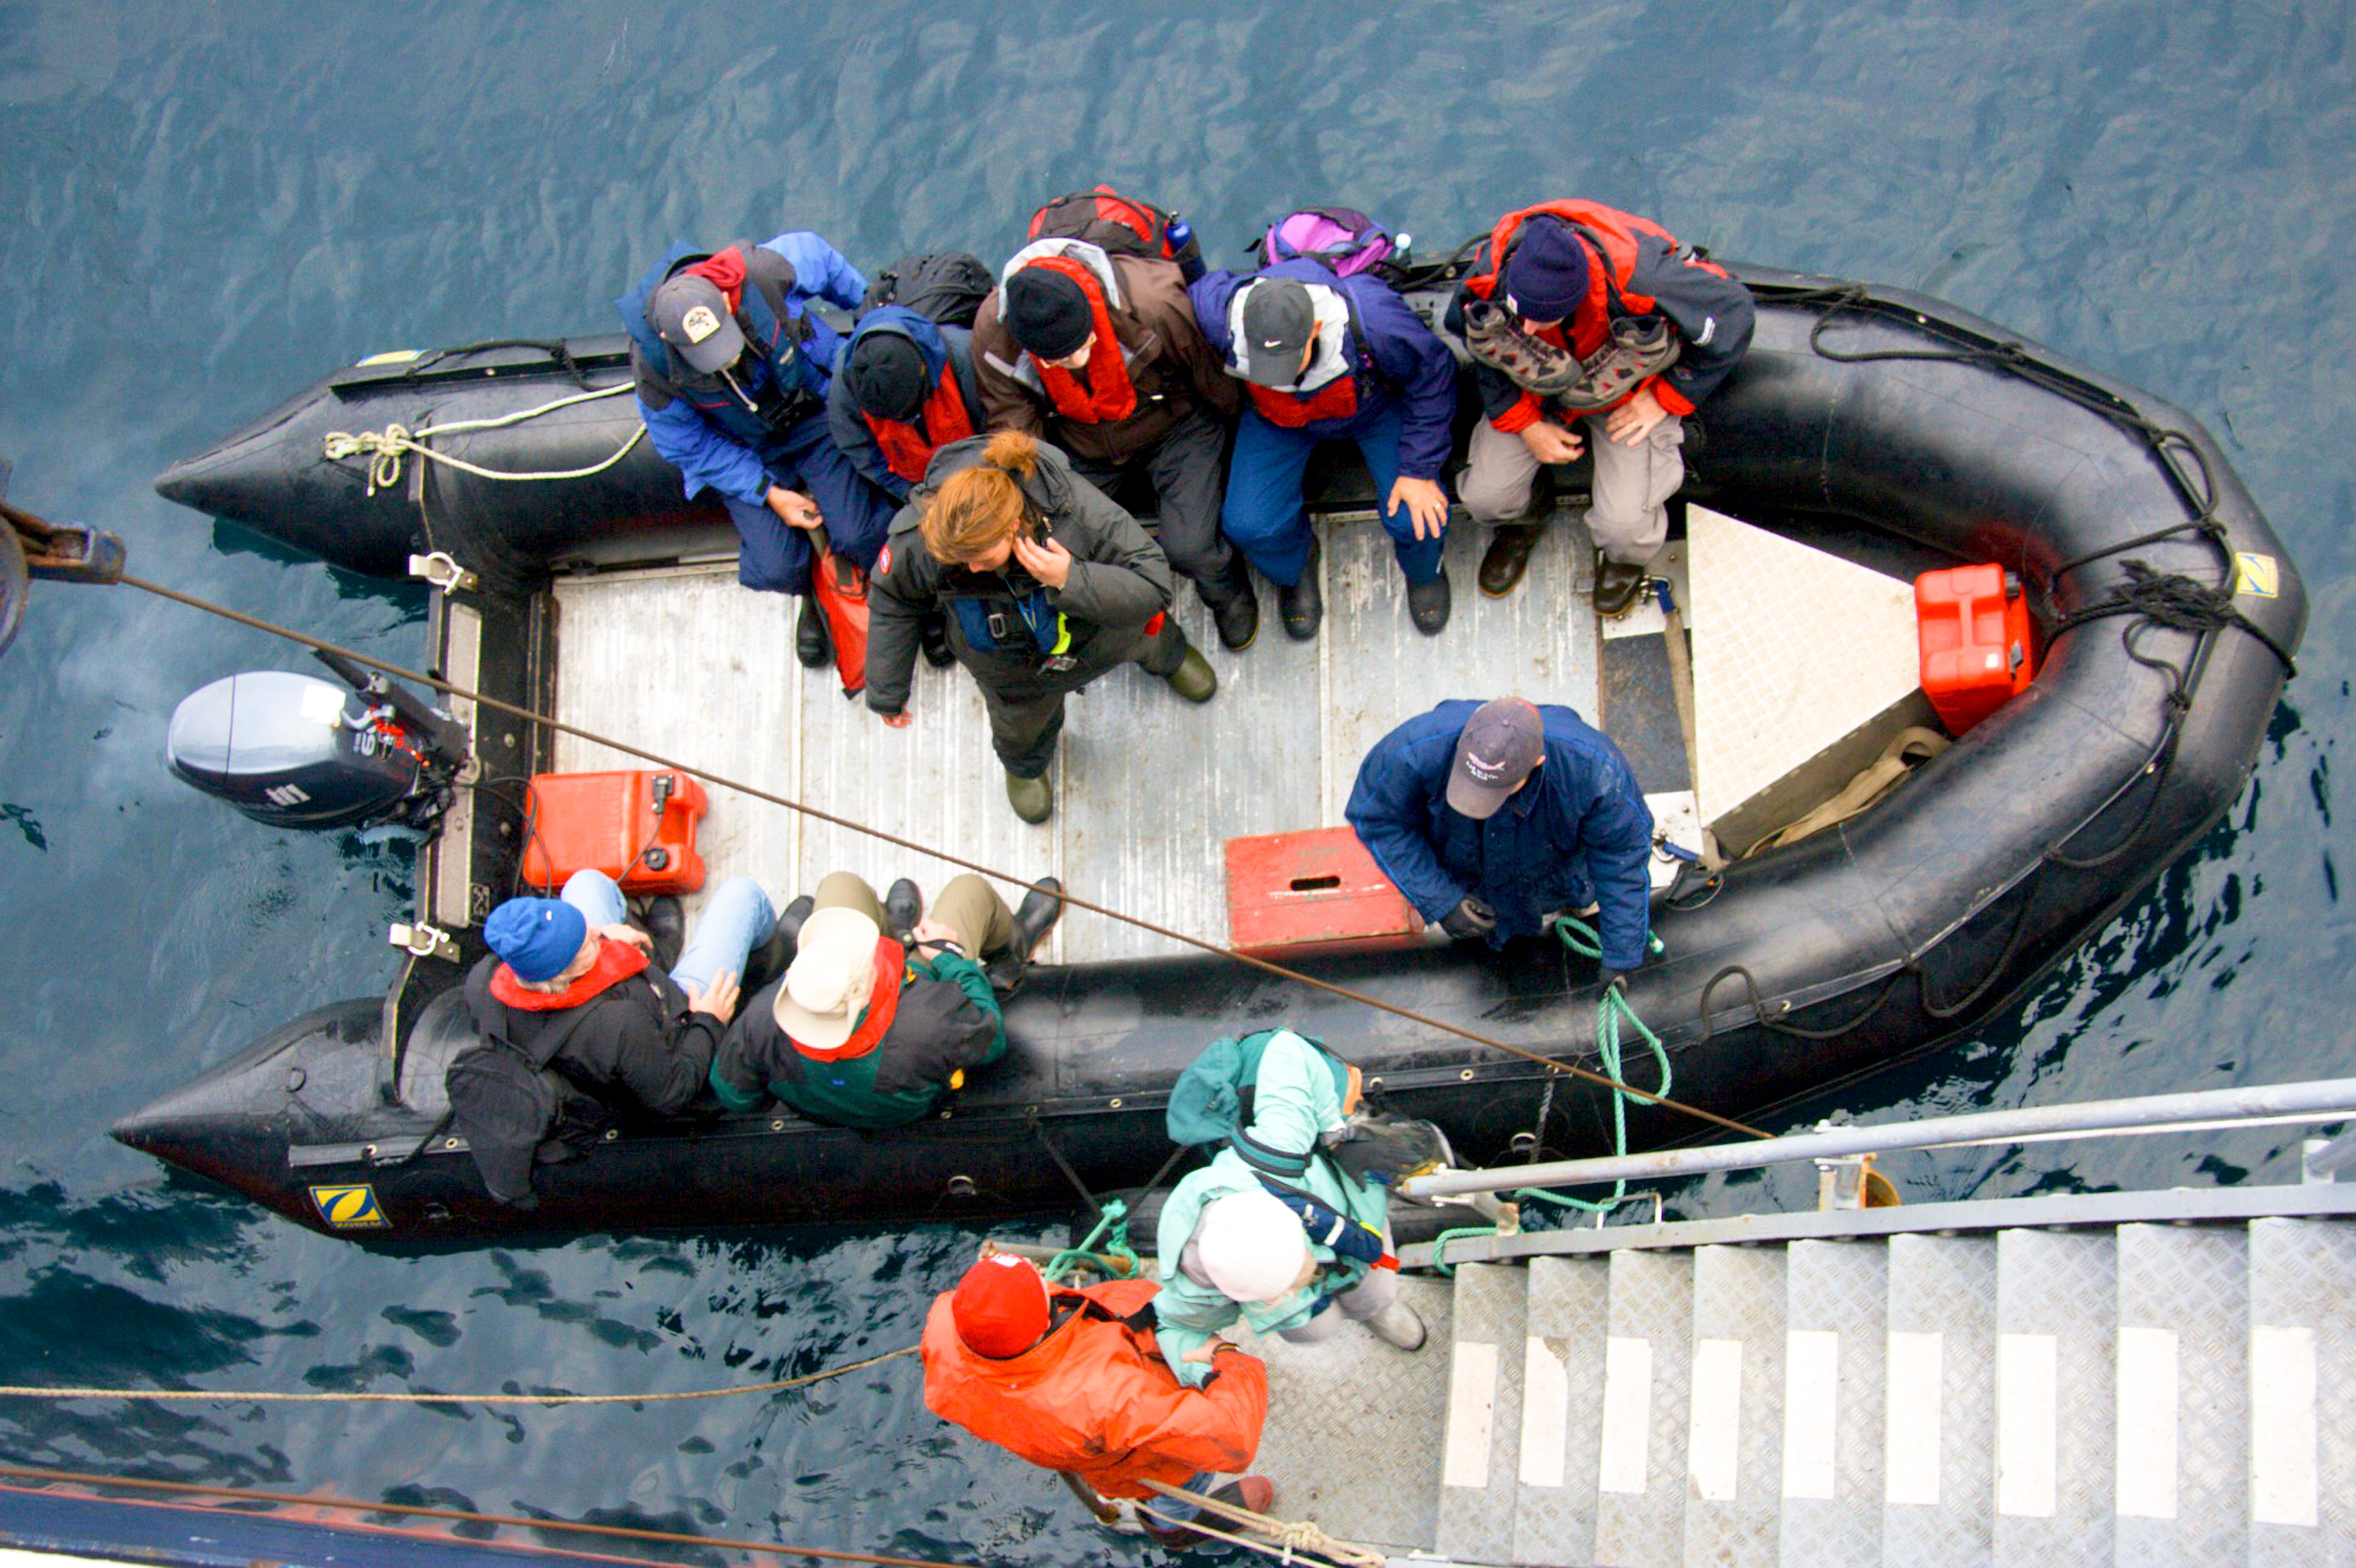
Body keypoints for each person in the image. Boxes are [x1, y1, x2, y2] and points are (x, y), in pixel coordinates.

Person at [865, 430, 1217, 825]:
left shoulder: (1069, 506)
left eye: (981, 558)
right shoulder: (932, 534)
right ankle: (1027, 765)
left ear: (1012, 525)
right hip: (1011, 672)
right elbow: (893, 598)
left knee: (1150, 637)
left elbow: (1152, 581)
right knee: (1019, 729)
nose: (973, 569)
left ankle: (1171, 657)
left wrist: (1071, 577)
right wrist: (887, 690)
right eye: (963, 562)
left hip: (1102, 633)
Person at [1443, 200, 1755, 615]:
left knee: (1624, 526)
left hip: (1624, 393)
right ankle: (1525, 520)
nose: (1528, 330)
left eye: (1544, 318)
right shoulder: (1491, 273)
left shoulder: (1645, 280)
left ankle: (1624, 560)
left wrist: (1665, 398)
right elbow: (1479, 344)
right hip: (1534, 387)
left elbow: (1734, 314)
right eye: (1522, 316)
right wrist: (1525, 424)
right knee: (1486, 497)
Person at [615, 232, 899, 668]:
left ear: (726, 304)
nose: (724, 359)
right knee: (776, 568)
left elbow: (823, 259)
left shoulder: (764, 272)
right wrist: (768, 491)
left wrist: (870, 318)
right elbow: (687, 446)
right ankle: (813, 593)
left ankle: (899, 590)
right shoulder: (654, 369)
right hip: (746, 447)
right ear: (673, 343)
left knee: (861, 533)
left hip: (811, 417)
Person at [971, 236, 1258, 652]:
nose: (1077, 362)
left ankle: (1224, 589)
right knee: (1058, 549)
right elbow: (1017, 433)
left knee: (1191, 547)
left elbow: (1213, 381)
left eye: (1081, 345)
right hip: (1082, 446)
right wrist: (1038, 508)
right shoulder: (992, 337)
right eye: (1059, 361)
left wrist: (1234, 449)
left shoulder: (1155, 305)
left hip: (1174, 427)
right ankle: (1138, 635)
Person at [449, 871, 773, 1202]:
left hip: (613, 1019)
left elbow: (579, 941)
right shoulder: (617, 1024)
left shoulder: (483, 981)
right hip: (674, 1022)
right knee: (743, 896)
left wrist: (601, 936)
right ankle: (769, 953)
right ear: (564, 972)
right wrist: (708, 1020)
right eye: (588, 941)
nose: (593, 930)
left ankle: (655, 951)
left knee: (585, 882)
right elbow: (674, 1092)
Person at [922, 1251, 1273, 1549]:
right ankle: (1173, 1527)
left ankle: (1164, 1516)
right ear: (1042, 1323)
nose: (1046, 1280)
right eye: (1041, 1286)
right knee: (1174, 1494)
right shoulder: (1101, 1397)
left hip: (1086, 1444)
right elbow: (1233, 1439)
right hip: (1151, 1464)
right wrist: (1232, 1359)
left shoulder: (946, 1328)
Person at [1188, 261, 1459, 638]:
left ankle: (1424, 571)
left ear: (1315, 330)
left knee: (1416, 514)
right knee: (1249, 525)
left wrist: (1420, 470)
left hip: (1372, 410)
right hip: (1276, 419)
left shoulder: (1375, 321)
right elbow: (1192, 289)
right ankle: (1294, 564)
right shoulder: (1215, 314)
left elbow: (1433, 373)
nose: (1276, 372)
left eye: (1285, 361)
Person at [1153, 1027, 1427, 1384]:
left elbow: (1288, 1047)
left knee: (1377, 1289)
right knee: (1315, 1328)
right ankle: (1337, 1313)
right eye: (1283, 1288)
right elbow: (1174, 1327)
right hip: (1303, 1312)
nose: (1302, 1281)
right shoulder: (1196, 1285)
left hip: (1353, 1238)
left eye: (1298, 1268)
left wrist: (1334, 1132)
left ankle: (1375, 1309)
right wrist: (1197, 1368)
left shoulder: (1277, 1150)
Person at [709, 871, 1063, 1128]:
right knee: (968, 890)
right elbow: (992, 1038)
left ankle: (896, 929)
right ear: (862, 995)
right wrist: (950, 956)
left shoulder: (761, 1019)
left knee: (839, 885)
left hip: (833, 1106)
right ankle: (1013, 944)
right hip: (907, 1090)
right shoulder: (930, 1023)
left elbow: (735, 1097)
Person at [1346, 696, 1655, 984]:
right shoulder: (1410, 752)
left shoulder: (1595, 770)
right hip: (1466, 877)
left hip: (1559, 879)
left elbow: (1621, 858)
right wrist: (1441, 899)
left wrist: (1622, 956)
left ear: (1537, 764)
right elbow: (1378, 818)